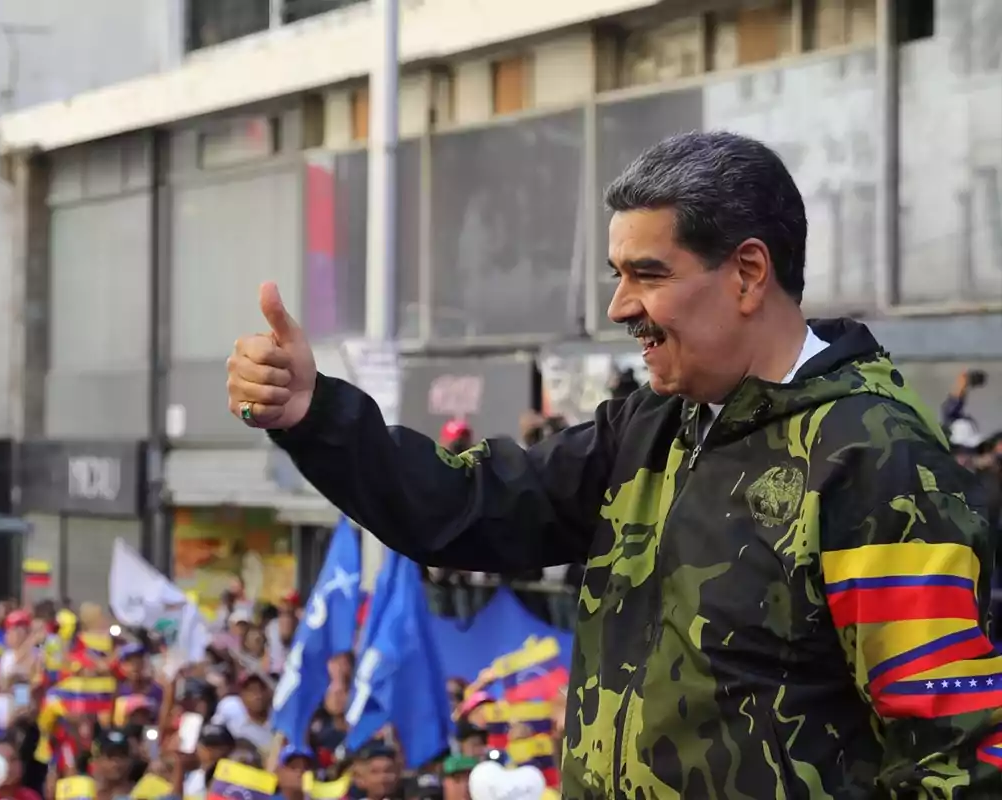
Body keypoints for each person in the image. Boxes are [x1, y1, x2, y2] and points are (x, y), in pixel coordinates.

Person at [227, 130, 1001, 797]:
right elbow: (468, 508)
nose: (619, 307)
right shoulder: (650, 424)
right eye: (617, 274)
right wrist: (315, 414)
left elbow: (954, 753)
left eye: (648, 274)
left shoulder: (874, 460)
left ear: (748, 273)